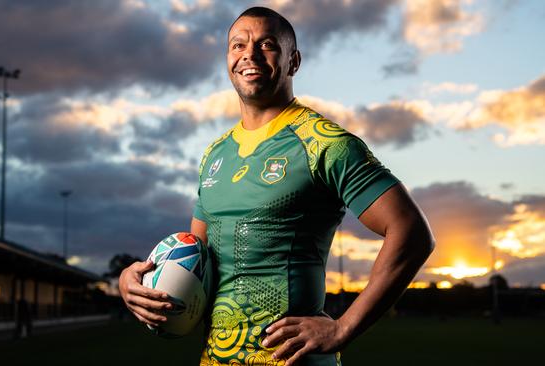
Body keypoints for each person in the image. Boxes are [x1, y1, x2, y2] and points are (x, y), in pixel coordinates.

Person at [120, 6, 434, 366]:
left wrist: (343, 327)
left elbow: (411, 232)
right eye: (238, 45)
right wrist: (138, 282)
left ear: (293, 61)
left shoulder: (325, 143)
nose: (249, 54)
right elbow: (199, 259)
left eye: (266, 44)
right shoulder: (215, 153)